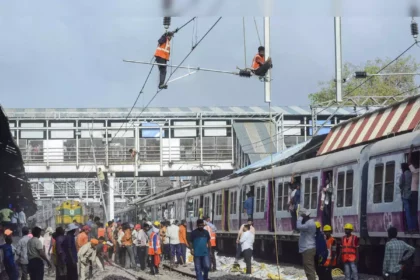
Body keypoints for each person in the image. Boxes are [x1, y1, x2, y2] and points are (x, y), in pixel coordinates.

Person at [296, 208, 316, 280]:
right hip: (307, 249)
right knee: (308, 269)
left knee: (309, 269)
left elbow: (298, 226)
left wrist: (300, 217)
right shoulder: (309, 223)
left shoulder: (309, 224)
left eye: (302, 216)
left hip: (308, 249)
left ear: (305, 216)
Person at [399, 162, 413, 233]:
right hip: (412, 195)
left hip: (405, 195)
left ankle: (410, 228)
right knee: (413, 212)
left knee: (407, 212)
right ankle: (414, 227)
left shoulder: (403, 175)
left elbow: (400, 185)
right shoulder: (412, 174)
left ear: (403, 168)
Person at [408, 145, 419, 233]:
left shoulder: (415, 171)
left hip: (414, 191)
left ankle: (413, 227)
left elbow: (408, 162)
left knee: (413, 211)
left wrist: (410, 151)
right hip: (417, 191)